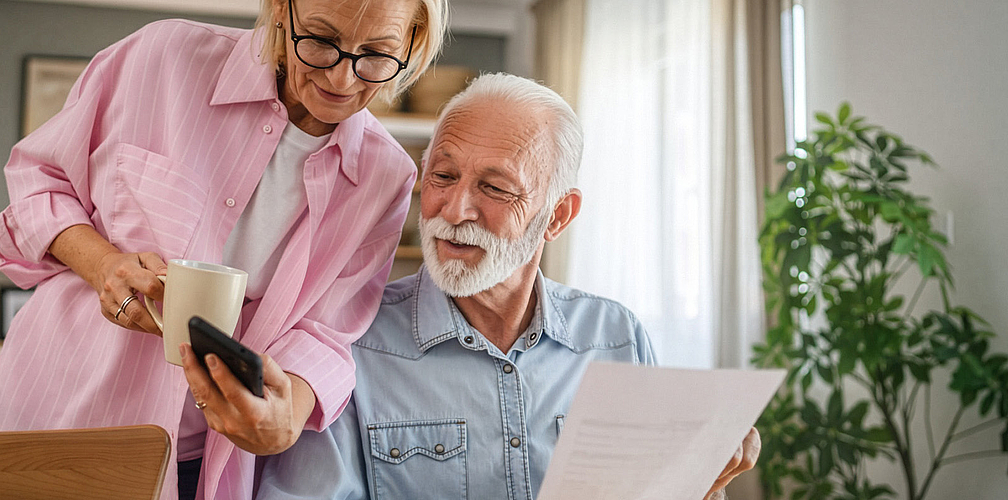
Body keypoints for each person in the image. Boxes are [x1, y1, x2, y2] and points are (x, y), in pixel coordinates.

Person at [0, 0, 448, 498]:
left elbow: (327, 333)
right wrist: (103, 265)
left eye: (377, 54)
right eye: (319, 39)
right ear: (280, 12)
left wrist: (286, 415)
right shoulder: (162, 58)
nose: (342, 77)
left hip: (200, 463)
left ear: (414, 43)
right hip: (53, 423)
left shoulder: (384, 177)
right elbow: (39, 183)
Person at [255, 73, 761, 499]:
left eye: (495, 188)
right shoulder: (348, 340)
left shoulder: (616, 337)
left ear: (557, 215)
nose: (453, 212)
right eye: (443, 177)